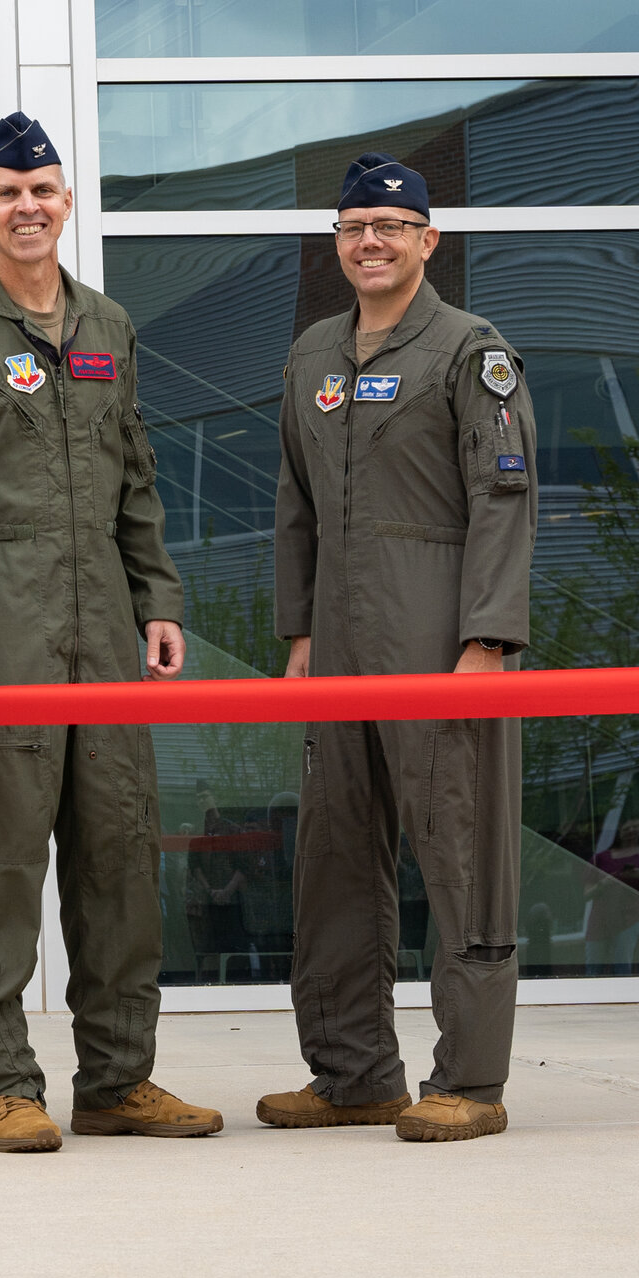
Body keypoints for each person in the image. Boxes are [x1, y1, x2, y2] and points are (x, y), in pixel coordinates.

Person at [0, 113, 223, 1153]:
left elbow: (137, 486)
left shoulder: (107, 326)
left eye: (45, 191)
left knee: (117, 851)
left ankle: (117, 1077)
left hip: (103, 628)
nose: (28, 207)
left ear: (65, 205)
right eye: (6, 193)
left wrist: (156, 599)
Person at [258, 154, 537, 1143]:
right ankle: (351, 1073)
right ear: (335, 245)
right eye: (350, 228)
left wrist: (487, 639)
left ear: (426, 239)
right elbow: (292, 505)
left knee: (460, 852)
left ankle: (469, 1077)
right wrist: (296, 633)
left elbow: (502, 499)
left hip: (437, 634)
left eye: (387, 226)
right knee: (332, 856)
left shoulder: (470, 351)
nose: (367, 241)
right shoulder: (309, 357)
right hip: (333, 640)